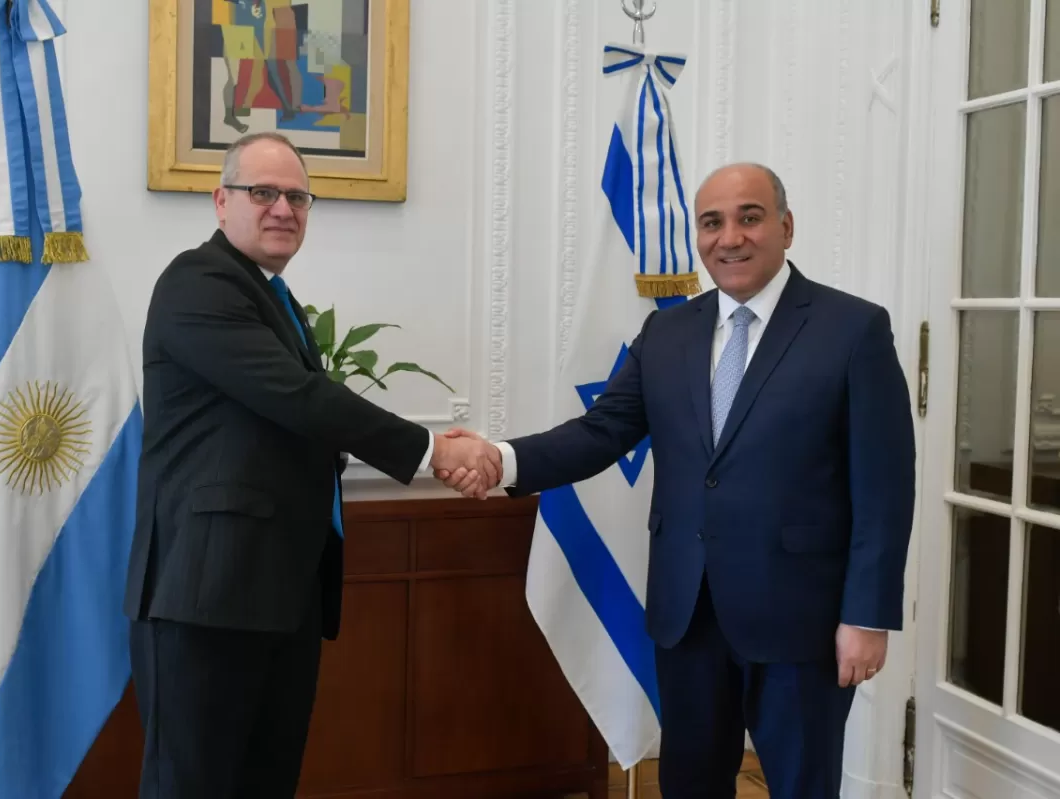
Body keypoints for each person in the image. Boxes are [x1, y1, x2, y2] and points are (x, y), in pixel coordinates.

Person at [439, 163, 916, 799]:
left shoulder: (852, 329)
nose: (730, 238)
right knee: (690, 785)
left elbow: (885, 487)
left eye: (749, 217)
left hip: (800, 620)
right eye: (712, 223)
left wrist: (867, 614)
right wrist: (503, 458)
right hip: (687, 614)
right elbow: (602, 431)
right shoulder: (668, 331)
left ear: (786, 226)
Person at [122, 131, 500, 799]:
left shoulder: (274, 297)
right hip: (207, 599)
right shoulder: (197, 282)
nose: (283, 209)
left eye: (297, 196)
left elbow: (275, 422)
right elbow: (294, 396)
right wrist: (434, 451)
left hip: (275, 594)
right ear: (220, 201)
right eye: (263, 192)